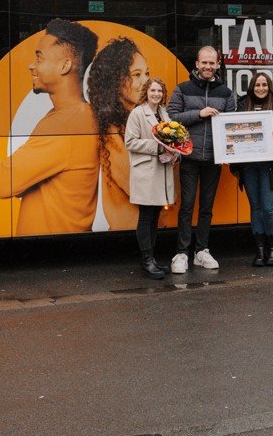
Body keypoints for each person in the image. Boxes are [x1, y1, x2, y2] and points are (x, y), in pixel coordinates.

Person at [0, 19, 100, 234]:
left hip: (45, 251)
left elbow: (1, 182)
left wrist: (24, 180)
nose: (31, 65)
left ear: (65, 66)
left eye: (39, 57)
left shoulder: (63, 124)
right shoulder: (81, 114)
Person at [167, 45, 236, 273]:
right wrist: (200, 113)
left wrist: (229, 152)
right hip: (189, 158)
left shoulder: (226, 93)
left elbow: (232, 127)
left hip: (214, 159)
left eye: (212, 63)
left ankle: (202, 251)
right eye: (203, 62)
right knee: (186, 206)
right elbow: (172, 118)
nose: (207, 66)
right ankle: (181, 253)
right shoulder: (182, 89)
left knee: (206, 207)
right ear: (197, 64)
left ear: (218, 65)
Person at [87, 37, 149, 231]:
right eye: (136, 75)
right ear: (115, 80)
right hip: (135, 228)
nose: (146, 81)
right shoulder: (111, 131)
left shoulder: (136, 117)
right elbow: (137, 186)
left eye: (147, 73)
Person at [235, 73, 273, 266]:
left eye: (264, 85)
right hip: (250, 166)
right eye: (257, 85)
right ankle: (260, 251)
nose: (260, 88)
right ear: (252, 87)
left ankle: (272, 250)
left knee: (268, 209)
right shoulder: (243, 105)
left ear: (269, 87)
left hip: (272, 165)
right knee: (256, 208)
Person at [125, 78, 181, 279]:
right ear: (146, 92)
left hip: (162, 170)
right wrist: (157, 147)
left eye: (159, 91)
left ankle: (151, 259)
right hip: (147, 172)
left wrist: (175, 150)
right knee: (146, 215)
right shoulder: (137, 113)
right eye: (153, 90)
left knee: (155, 215)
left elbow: (170, 139)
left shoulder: (163, 113)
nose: (156, 94)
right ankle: (146, 260)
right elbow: (130, 142)